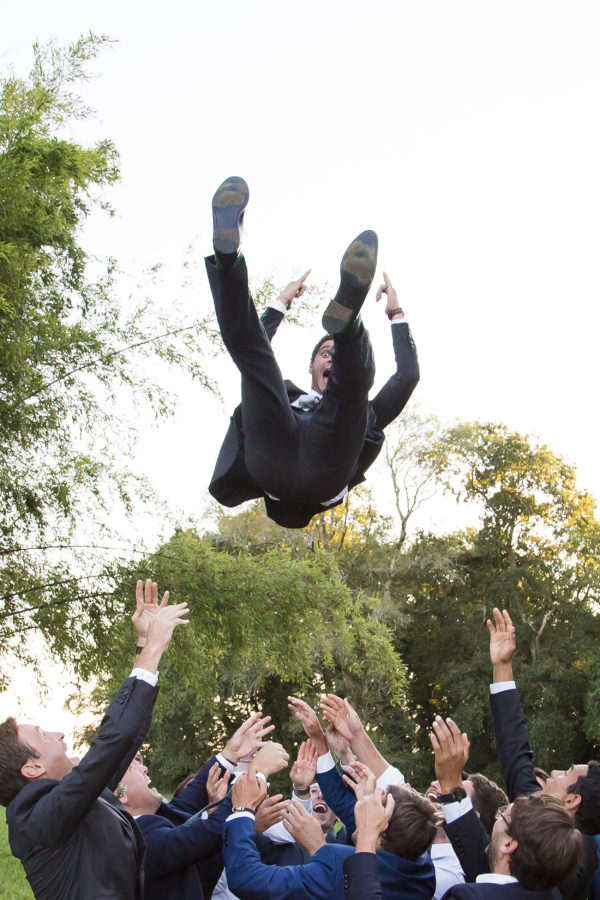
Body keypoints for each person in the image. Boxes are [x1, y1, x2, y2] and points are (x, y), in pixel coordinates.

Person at [206, 175, 419, 528]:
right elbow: (255, 343)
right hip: (274, 455)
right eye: (325, 352)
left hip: (320, 470)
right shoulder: (287, 401)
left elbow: (407, 376)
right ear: (310, 366)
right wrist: (279, 302)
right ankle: (228, 260)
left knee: (353, 389)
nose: (330, 358)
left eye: (335, 352)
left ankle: (349, 323)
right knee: (255, 361)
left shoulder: (361, 414)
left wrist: (397, 315)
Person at [0, 579, 189, 900]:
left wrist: (144, 644)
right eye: (44, 735)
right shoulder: (35, 818)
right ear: (31, 767)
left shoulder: (71, 802)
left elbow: (124, 744)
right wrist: (155, 648)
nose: (60, 734)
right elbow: (113, 741)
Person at [116, 712, 274, 900]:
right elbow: (211, 831)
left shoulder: (148, 826)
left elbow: (186, 803)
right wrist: (257, 771)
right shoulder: (140, 841)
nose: (144, 767)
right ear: (121, 794)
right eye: (133, 765)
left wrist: (230, 753)